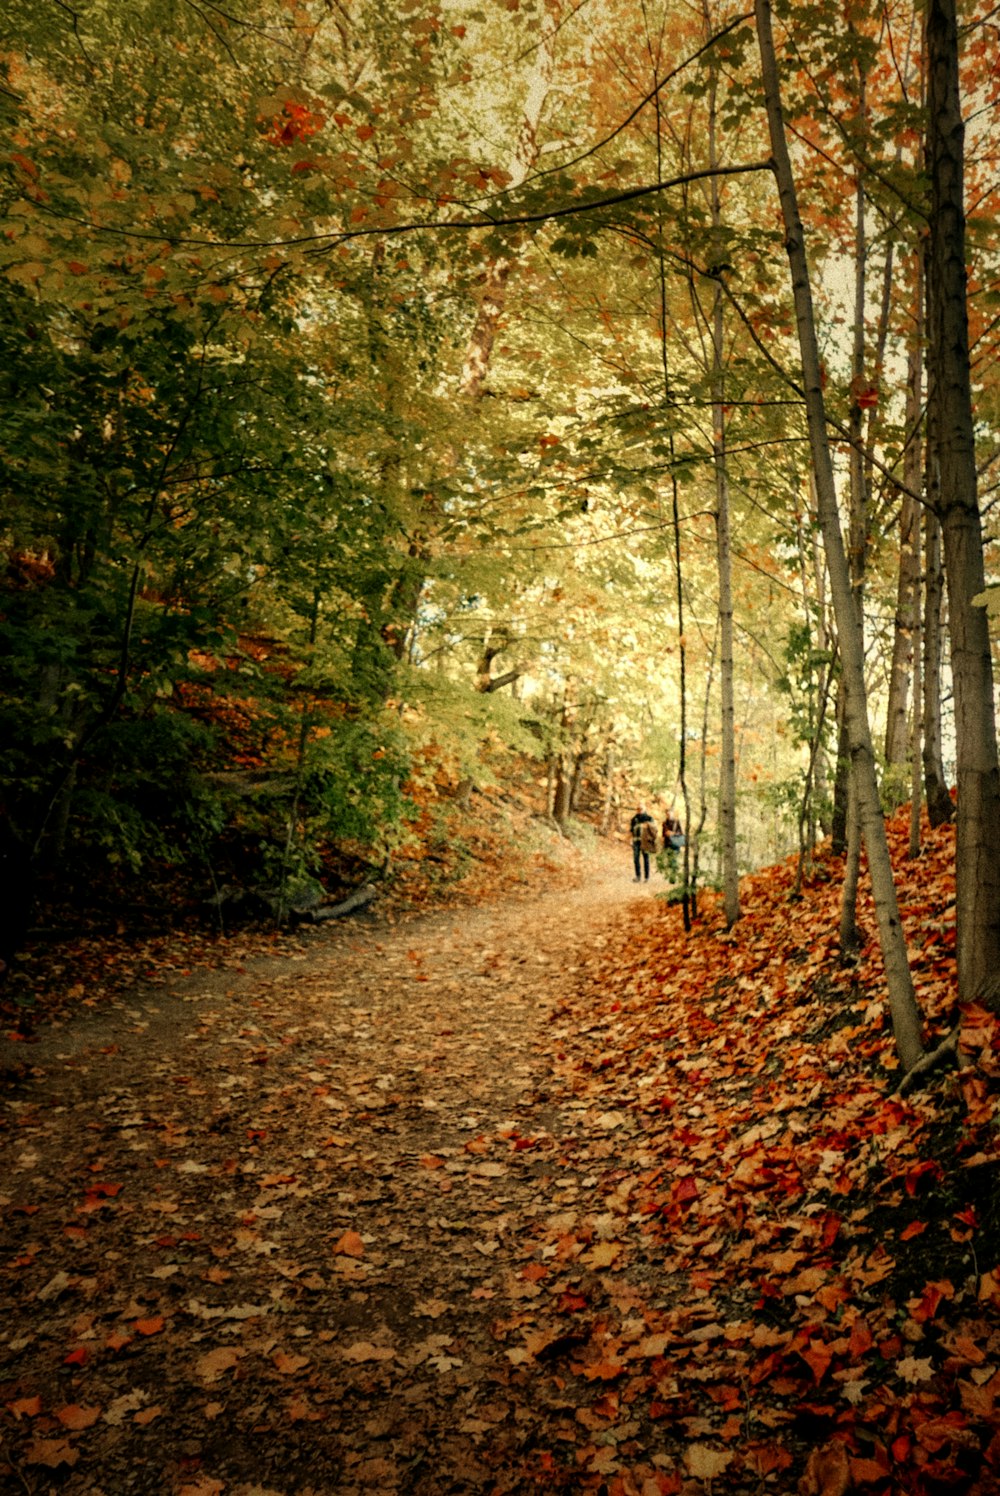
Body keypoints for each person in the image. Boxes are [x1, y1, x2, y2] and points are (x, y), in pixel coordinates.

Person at [629, 803, 655, 882]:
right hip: (636, 841)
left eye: (641, 809)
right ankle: (638, 876)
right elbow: (631, 831)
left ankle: (646, 877)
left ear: (645, 809)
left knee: (645, 859)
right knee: (636, 858)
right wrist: (630, 839)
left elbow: (654, 830)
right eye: (638, 809)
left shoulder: (649, 818)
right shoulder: (634, 819)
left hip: (645, 842)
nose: (639, 810)